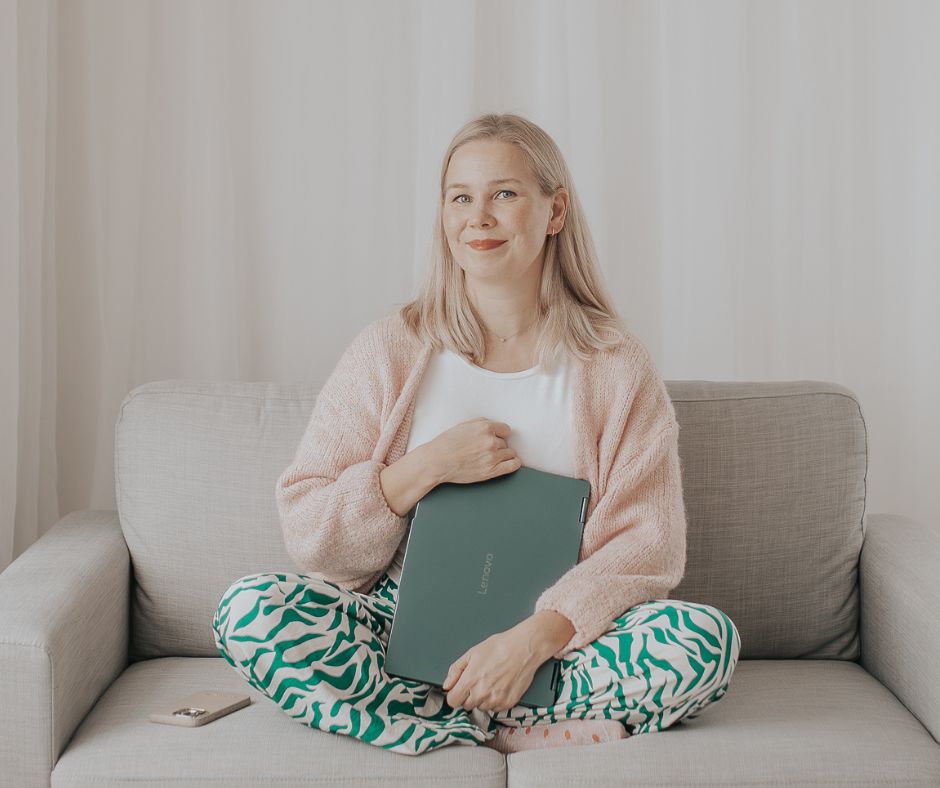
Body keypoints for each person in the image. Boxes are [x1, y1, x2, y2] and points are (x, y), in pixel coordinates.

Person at [212, 112, 741, 756]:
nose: (478, 217)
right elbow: (310, 531)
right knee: (250, 612)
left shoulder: (615, 365)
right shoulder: (390, 350)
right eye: (460, 197)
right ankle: (509, 729)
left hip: (559, 637)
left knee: (703, 641)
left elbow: (645, 547)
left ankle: (446, 717)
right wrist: (425, 466)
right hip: (396, 628)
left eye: (505, 194)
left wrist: (529, 642)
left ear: (555, 210)